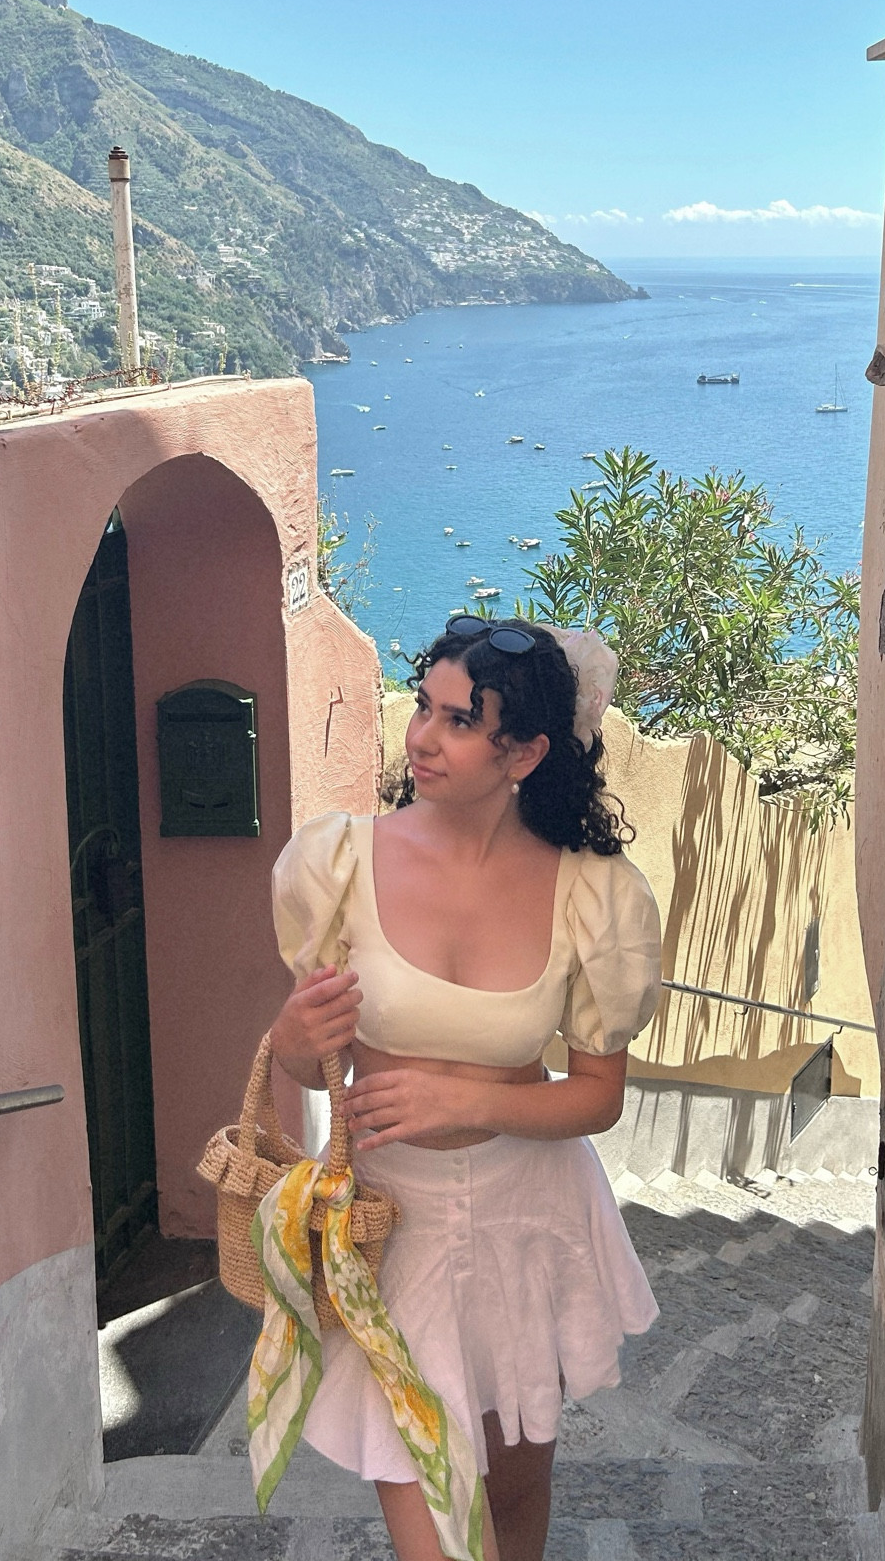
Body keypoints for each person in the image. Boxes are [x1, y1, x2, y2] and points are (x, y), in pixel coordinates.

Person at [268, 616, 663, 1561]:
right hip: (390, 1228)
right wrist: (289, 1040)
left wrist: (471, 1102)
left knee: (517, 1493)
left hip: (531, 1220)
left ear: (524, 752)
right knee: (439, 1529)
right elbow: (297, 1054)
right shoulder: (337, 865)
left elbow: (598, 1096)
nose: (421, 737)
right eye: (425, 708)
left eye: (456, 721)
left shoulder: (593, 896)